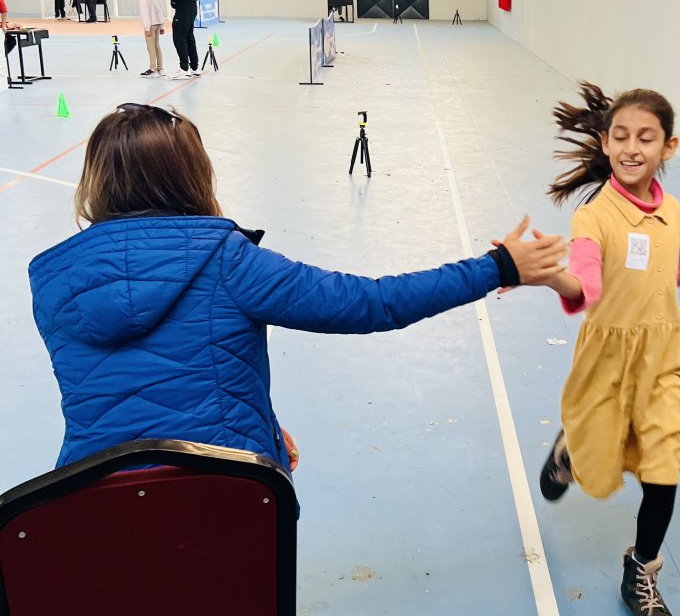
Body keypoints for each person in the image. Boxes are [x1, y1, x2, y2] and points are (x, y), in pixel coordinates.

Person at [29, 104, 567, 474]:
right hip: (224, 492)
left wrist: (260, 418)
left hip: (88, 506)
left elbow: (141, 383)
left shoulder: (51, 279)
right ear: (191, 174)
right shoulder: (229, 261)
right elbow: (373, 303)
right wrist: (498, 266)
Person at [537, 83, 680, 616]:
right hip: (609, 358)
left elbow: (674, 271)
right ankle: (569, 448)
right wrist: (547, 274)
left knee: (665, 464)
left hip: (664, 356)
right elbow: (584, 286)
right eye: (622, 136)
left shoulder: (672, 210)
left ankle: (642, 572)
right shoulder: (595, 218)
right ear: (606, 143)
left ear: (669, 147)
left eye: (646, 137)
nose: (633, 147)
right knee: (598, 461)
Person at [130, 0, 166, 76]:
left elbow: (145, 13)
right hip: (157, 24)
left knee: (151, 47)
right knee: (157, 46)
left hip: (150, 25)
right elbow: (159, 10)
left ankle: (152, 69)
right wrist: (162, 25)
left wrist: (146, 28)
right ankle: (160, 69)